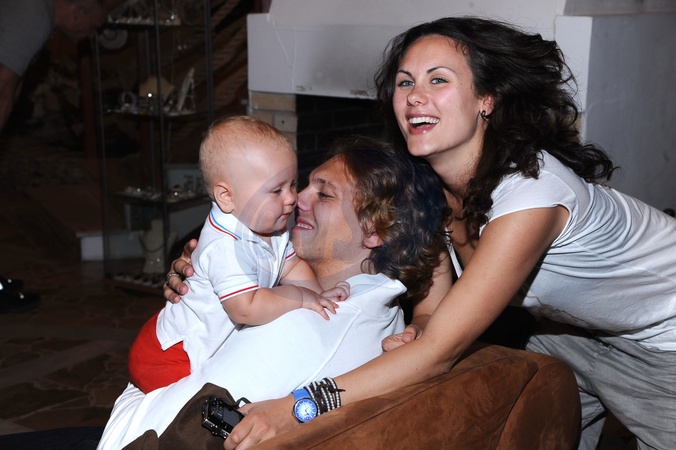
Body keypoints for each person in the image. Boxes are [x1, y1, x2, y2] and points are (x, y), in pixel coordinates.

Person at [166, 17, 676, 450]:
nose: (415, 97)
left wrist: (297, 407)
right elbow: (433, 306)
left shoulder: (532, 195)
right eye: (405, 82)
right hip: (564, 330)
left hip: (663, 335)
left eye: (438, 80)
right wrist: (209, 269)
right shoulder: (429, 186)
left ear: (486, 99)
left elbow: (439, 354)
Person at [96, 136, 450, 449]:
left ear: (374, 231)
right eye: (302, 185)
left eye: (324, 194)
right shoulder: (386, 314)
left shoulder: (300, 327)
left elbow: (147, 434)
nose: (296, 199)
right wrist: (206, 284)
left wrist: (133, 392)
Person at [128, 116, 349, 394]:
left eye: (292, 184)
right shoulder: (224, 246)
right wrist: (299, 297)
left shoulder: (272, 227)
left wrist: (318, 296)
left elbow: (291, 266)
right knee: (197, 403)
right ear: (226, 197)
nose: (292, 198)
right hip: (171, 355)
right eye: (276, 190)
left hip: (197, 344)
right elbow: (245, 307)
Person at [0, 0, 108, 134]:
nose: (91, 35)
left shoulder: (37, 9)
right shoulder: (35, 18)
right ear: (78, 12)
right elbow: (3, 89)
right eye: (93, 27)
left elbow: (13, 83)